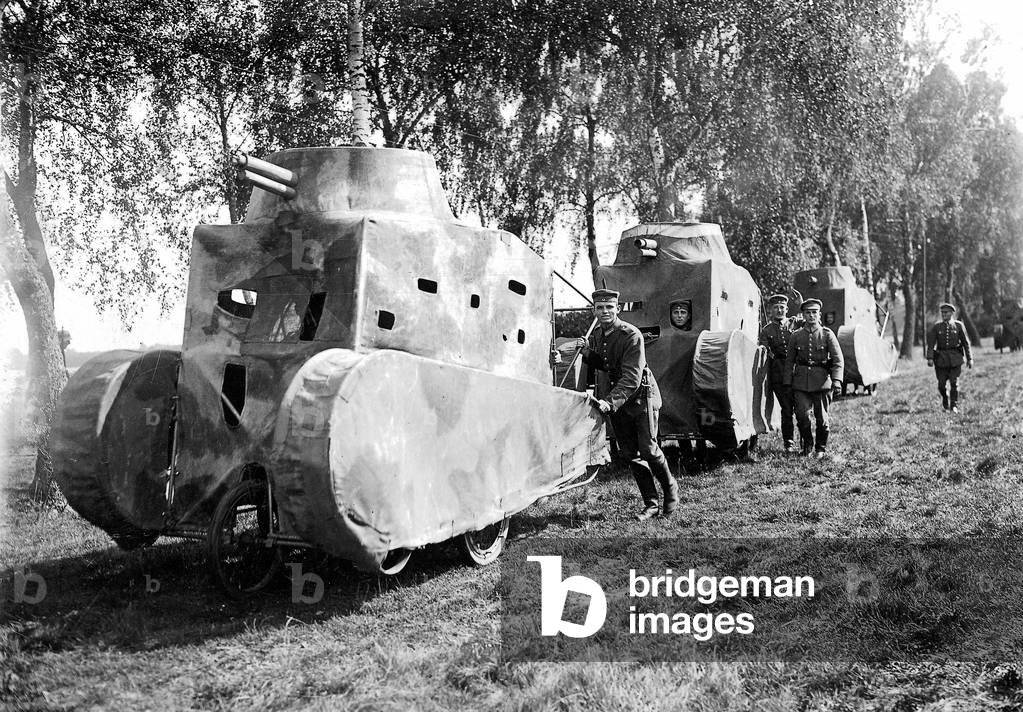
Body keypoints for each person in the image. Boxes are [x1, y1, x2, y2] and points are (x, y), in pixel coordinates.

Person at [575, 289, 679, 520]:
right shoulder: (599, 334)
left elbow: (632, 377)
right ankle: (651, 504)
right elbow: (607, 364)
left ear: (618, 309)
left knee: (648, 450)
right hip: (619, 400)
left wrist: (609, 402)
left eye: (609, 307)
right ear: (594, 311)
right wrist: (588, 353)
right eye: (600, 308)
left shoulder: (631, 334)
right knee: (631, 453)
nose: (605, 312)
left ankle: (670, 488)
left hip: (641, 398)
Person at [784, 299, 844, 459]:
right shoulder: (796, 336)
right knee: (802, 416)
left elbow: (838, 360)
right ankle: (808, 446)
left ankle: (820, 449)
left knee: (822, 418)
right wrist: (787, 382)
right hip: (800, 383)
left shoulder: (827, 334)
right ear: (803, 315)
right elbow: (789, 361)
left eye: (814, 312)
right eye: (808, 313)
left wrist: (837, 380)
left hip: (822, 382)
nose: (811, 315)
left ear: (819, 314)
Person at [758, 294, 799, 452]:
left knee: (802, 408)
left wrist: (800, 304)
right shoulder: (767, 330)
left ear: (787, 309)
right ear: (771, 310)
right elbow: (764, 349)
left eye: (782, 307)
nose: (779, 310)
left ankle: (806, 441)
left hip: (798, 371)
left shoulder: (795, 322)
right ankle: (789, 443)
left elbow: (814, 324)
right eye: (776, 308)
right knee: (787, 408)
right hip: (779, 373)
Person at [925, 303, 973, 413]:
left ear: (951, 313)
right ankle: (945, 398)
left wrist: (970, 358)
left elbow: (966, 343)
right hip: (941, 360)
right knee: (941, 385)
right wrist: (930, 358)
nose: (943, 314)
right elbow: (931, 344)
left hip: (955, 359)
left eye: (946, 312)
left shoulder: (959, 325)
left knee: (954, 383)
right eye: (942, 312)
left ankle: (954, 405)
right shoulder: (937, 327)